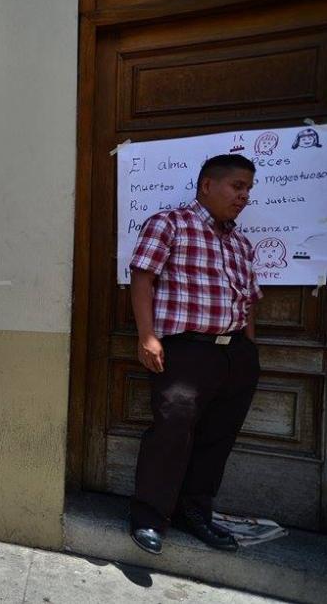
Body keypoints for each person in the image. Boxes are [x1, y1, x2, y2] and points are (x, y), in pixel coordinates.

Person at [128, 154, 262, 555]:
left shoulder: (239, 242)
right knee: (172, 433)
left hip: (234, 353)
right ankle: (149, 517)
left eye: (248, 189)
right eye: (237, 186)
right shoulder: (170, 224)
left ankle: (194, 511)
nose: (244, 196)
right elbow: (142, 277)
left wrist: (249, 348)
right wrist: (147, 336)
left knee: (217, 438)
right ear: (206, 185)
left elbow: (249, 299)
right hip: (185, 352)